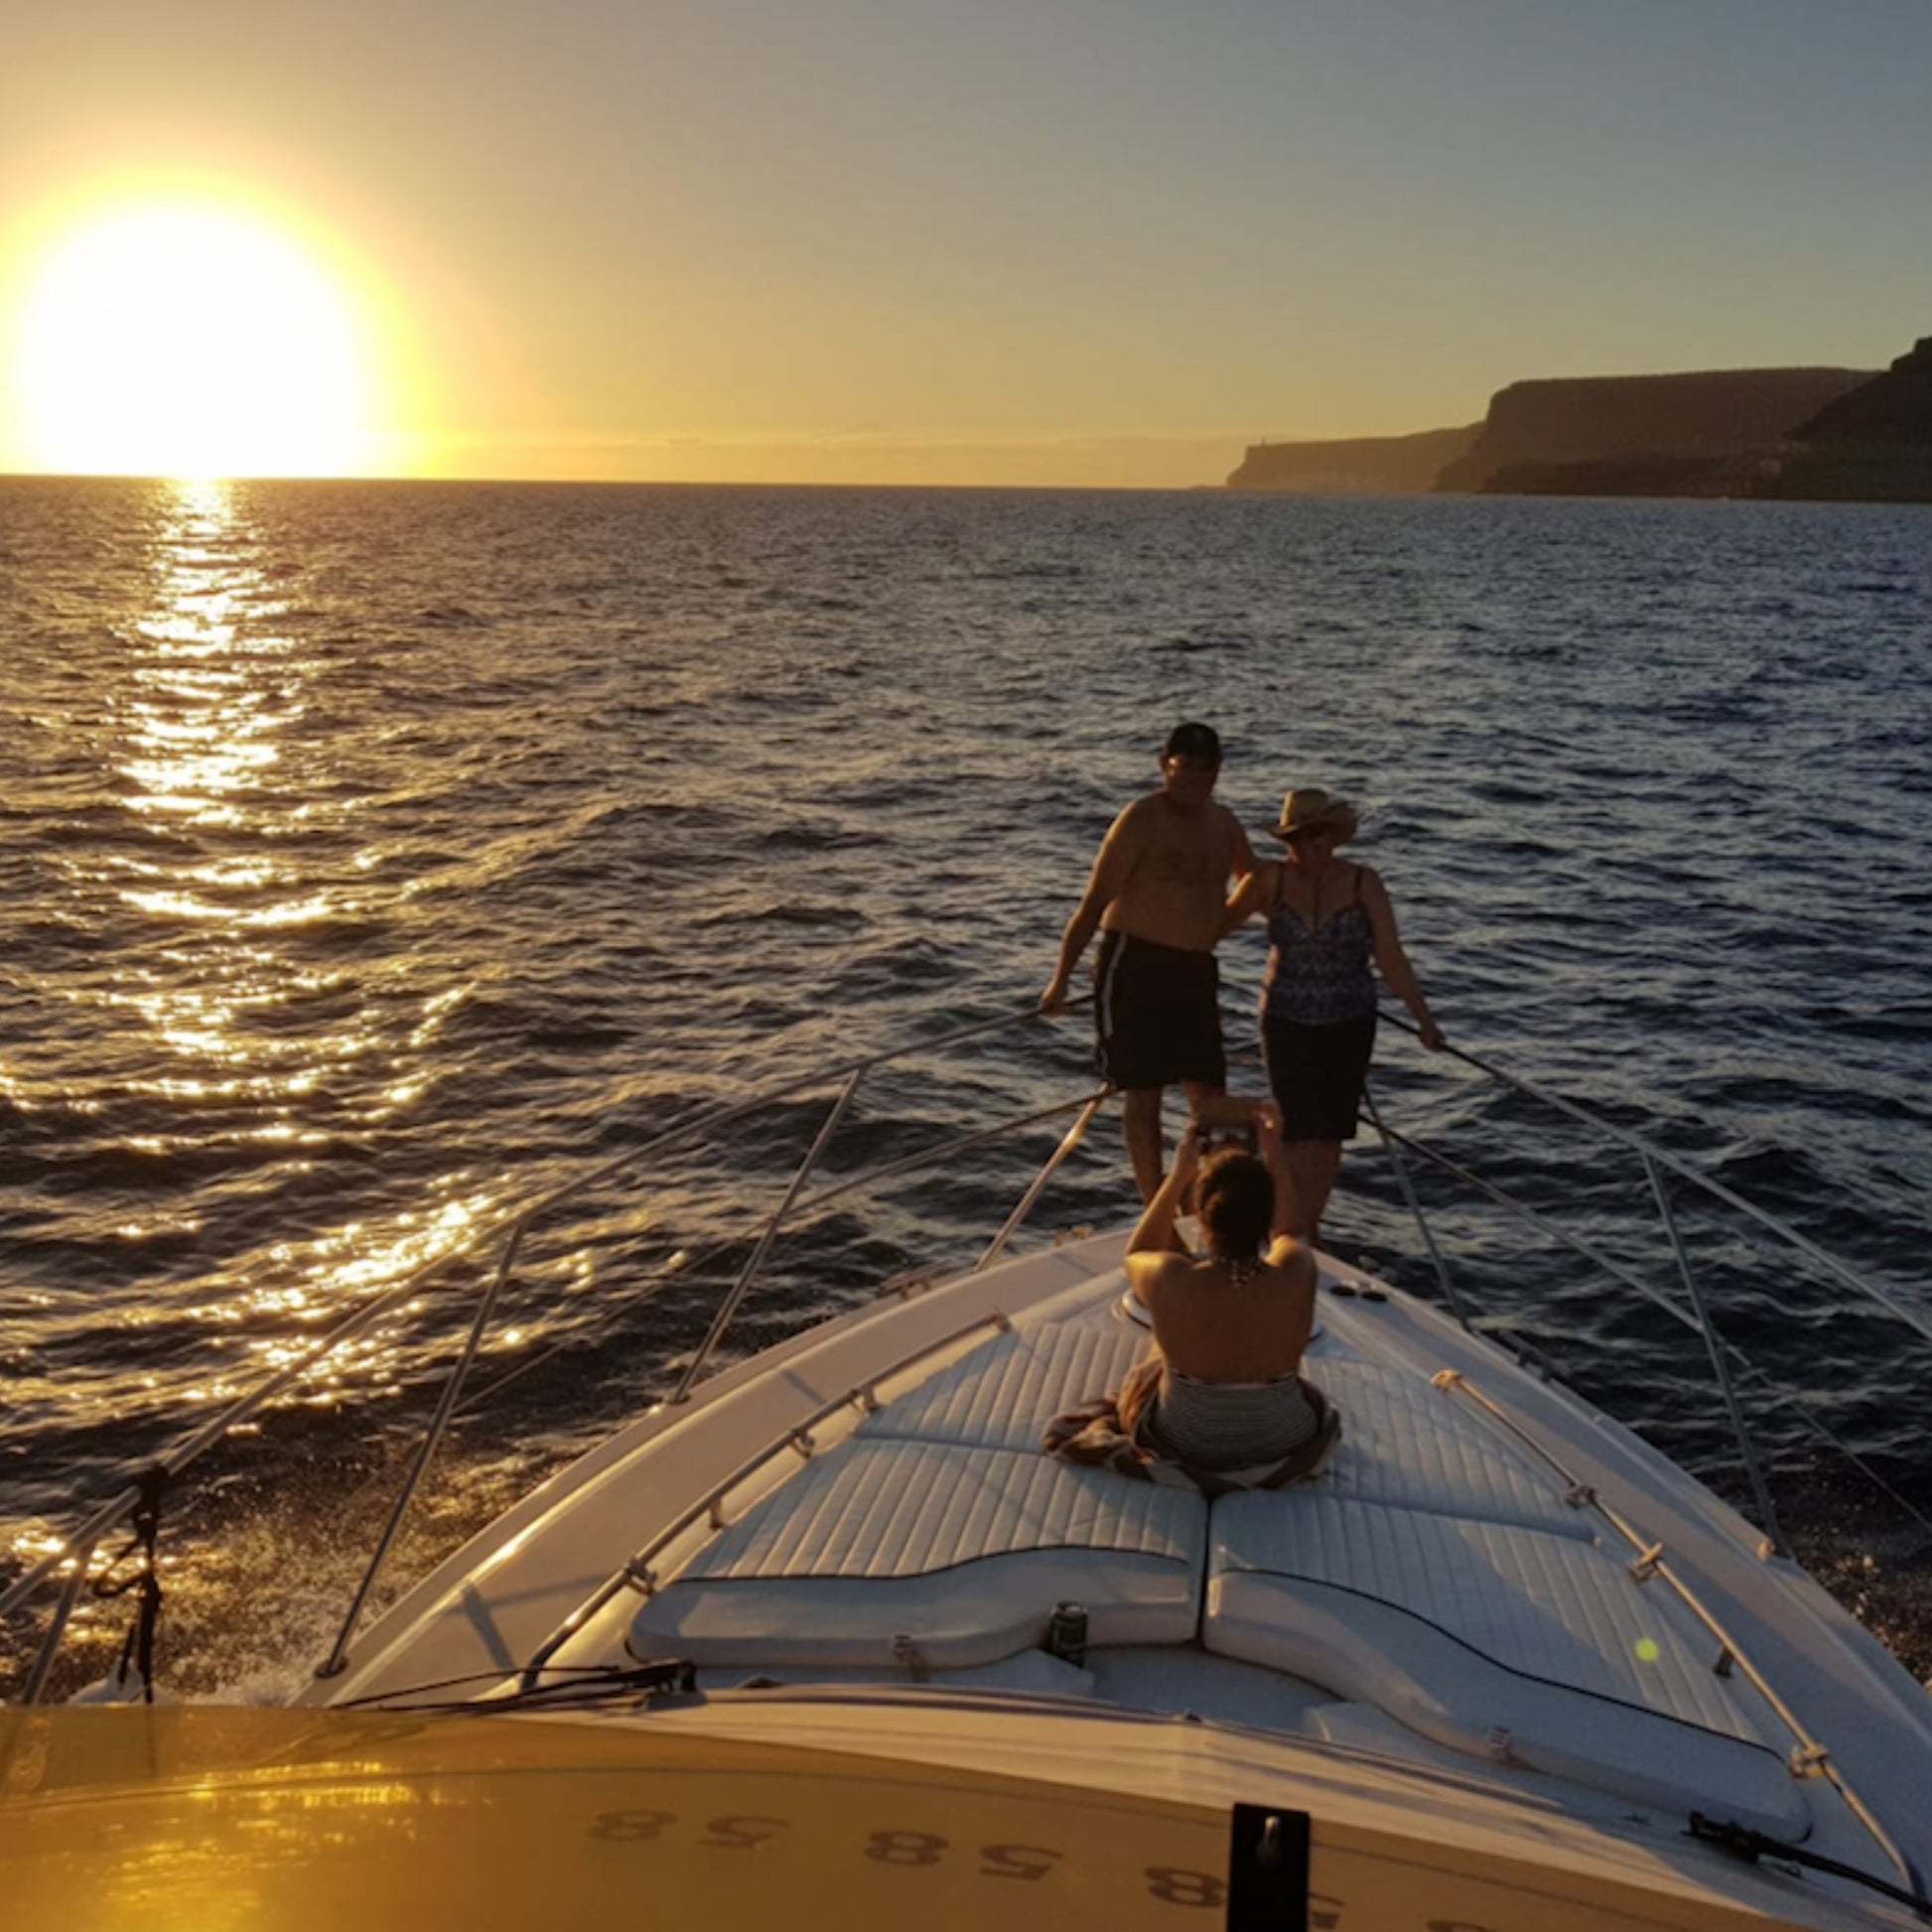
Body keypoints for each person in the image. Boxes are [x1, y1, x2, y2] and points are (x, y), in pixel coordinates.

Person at [1040, 722, 1255, 1202]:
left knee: (1210, 1093)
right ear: (1164, 765)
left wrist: (1221, 924)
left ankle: (1212, 1199)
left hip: (1195, 971)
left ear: (1217, 771)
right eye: (1183, 768)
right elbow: (1094, 904)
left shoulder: (1224, 823)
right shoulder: (1140, 818)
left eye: (1204, 769)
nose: (1193, 779)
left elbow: (1255, 883)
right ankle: (1152, 1204)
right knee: (1144, 1093)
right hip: (1135, 966)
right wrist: (1060, 981)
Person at [1223, 785, 1446, 1247]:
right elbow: (1210, 928)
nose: (1309, 848)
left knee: (1329, 1131)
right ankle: (1285, 1225)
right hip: (1286, 1019)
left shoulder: (1365, 883)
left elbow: (1390, 956)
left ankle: (1306, 1228)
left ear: (1334, 837)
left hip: (1349, 1021)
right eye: (1299, 840)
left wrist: (1423, 1018)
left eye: (1317, 837)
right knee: (1293, 1128)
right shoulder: (1269, 881)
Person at [1122, 1105, 1328, 1470]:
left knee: (1154, 1361)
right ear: (1267, 1216)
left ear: (1201, 1213)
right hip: (1281, 1441)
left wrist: (1179, 1175)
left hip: (1184, 1440)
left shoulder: (1172, 1280)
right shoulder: (1297, 1273)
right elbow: (1292, 1232)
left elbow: (1139, 1250)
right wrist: (1274, 1154)